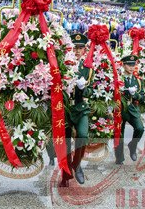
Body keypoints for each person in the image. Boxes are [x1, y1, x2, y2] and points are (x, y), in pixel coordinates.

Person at [59, 34, 92, 188]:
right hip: (65, 108)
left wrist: (83, 88)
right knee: (65, 143)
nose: (77, 51)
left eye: (80, 48)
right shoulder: (62, 64)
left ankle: (77, 164)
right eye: (74, 47)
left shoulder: (88, 68)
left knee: (83, 135)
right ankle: (65, 175)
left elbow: (91, 91)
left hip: (80, 107)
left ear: (85, 49)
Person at [115, 55, 145, 164]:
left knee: (140, 128)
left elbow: (142, 97)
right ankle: (119, 157)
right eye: (129, 65)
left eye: (133, 65)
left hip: (132, 109)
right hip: (120, 109)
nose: (131, 67)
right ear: (123, 65)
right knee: (119, 134)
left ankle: (133, 145)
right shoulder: (118, 78)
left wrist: (135, 94)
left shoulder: (138, 80)